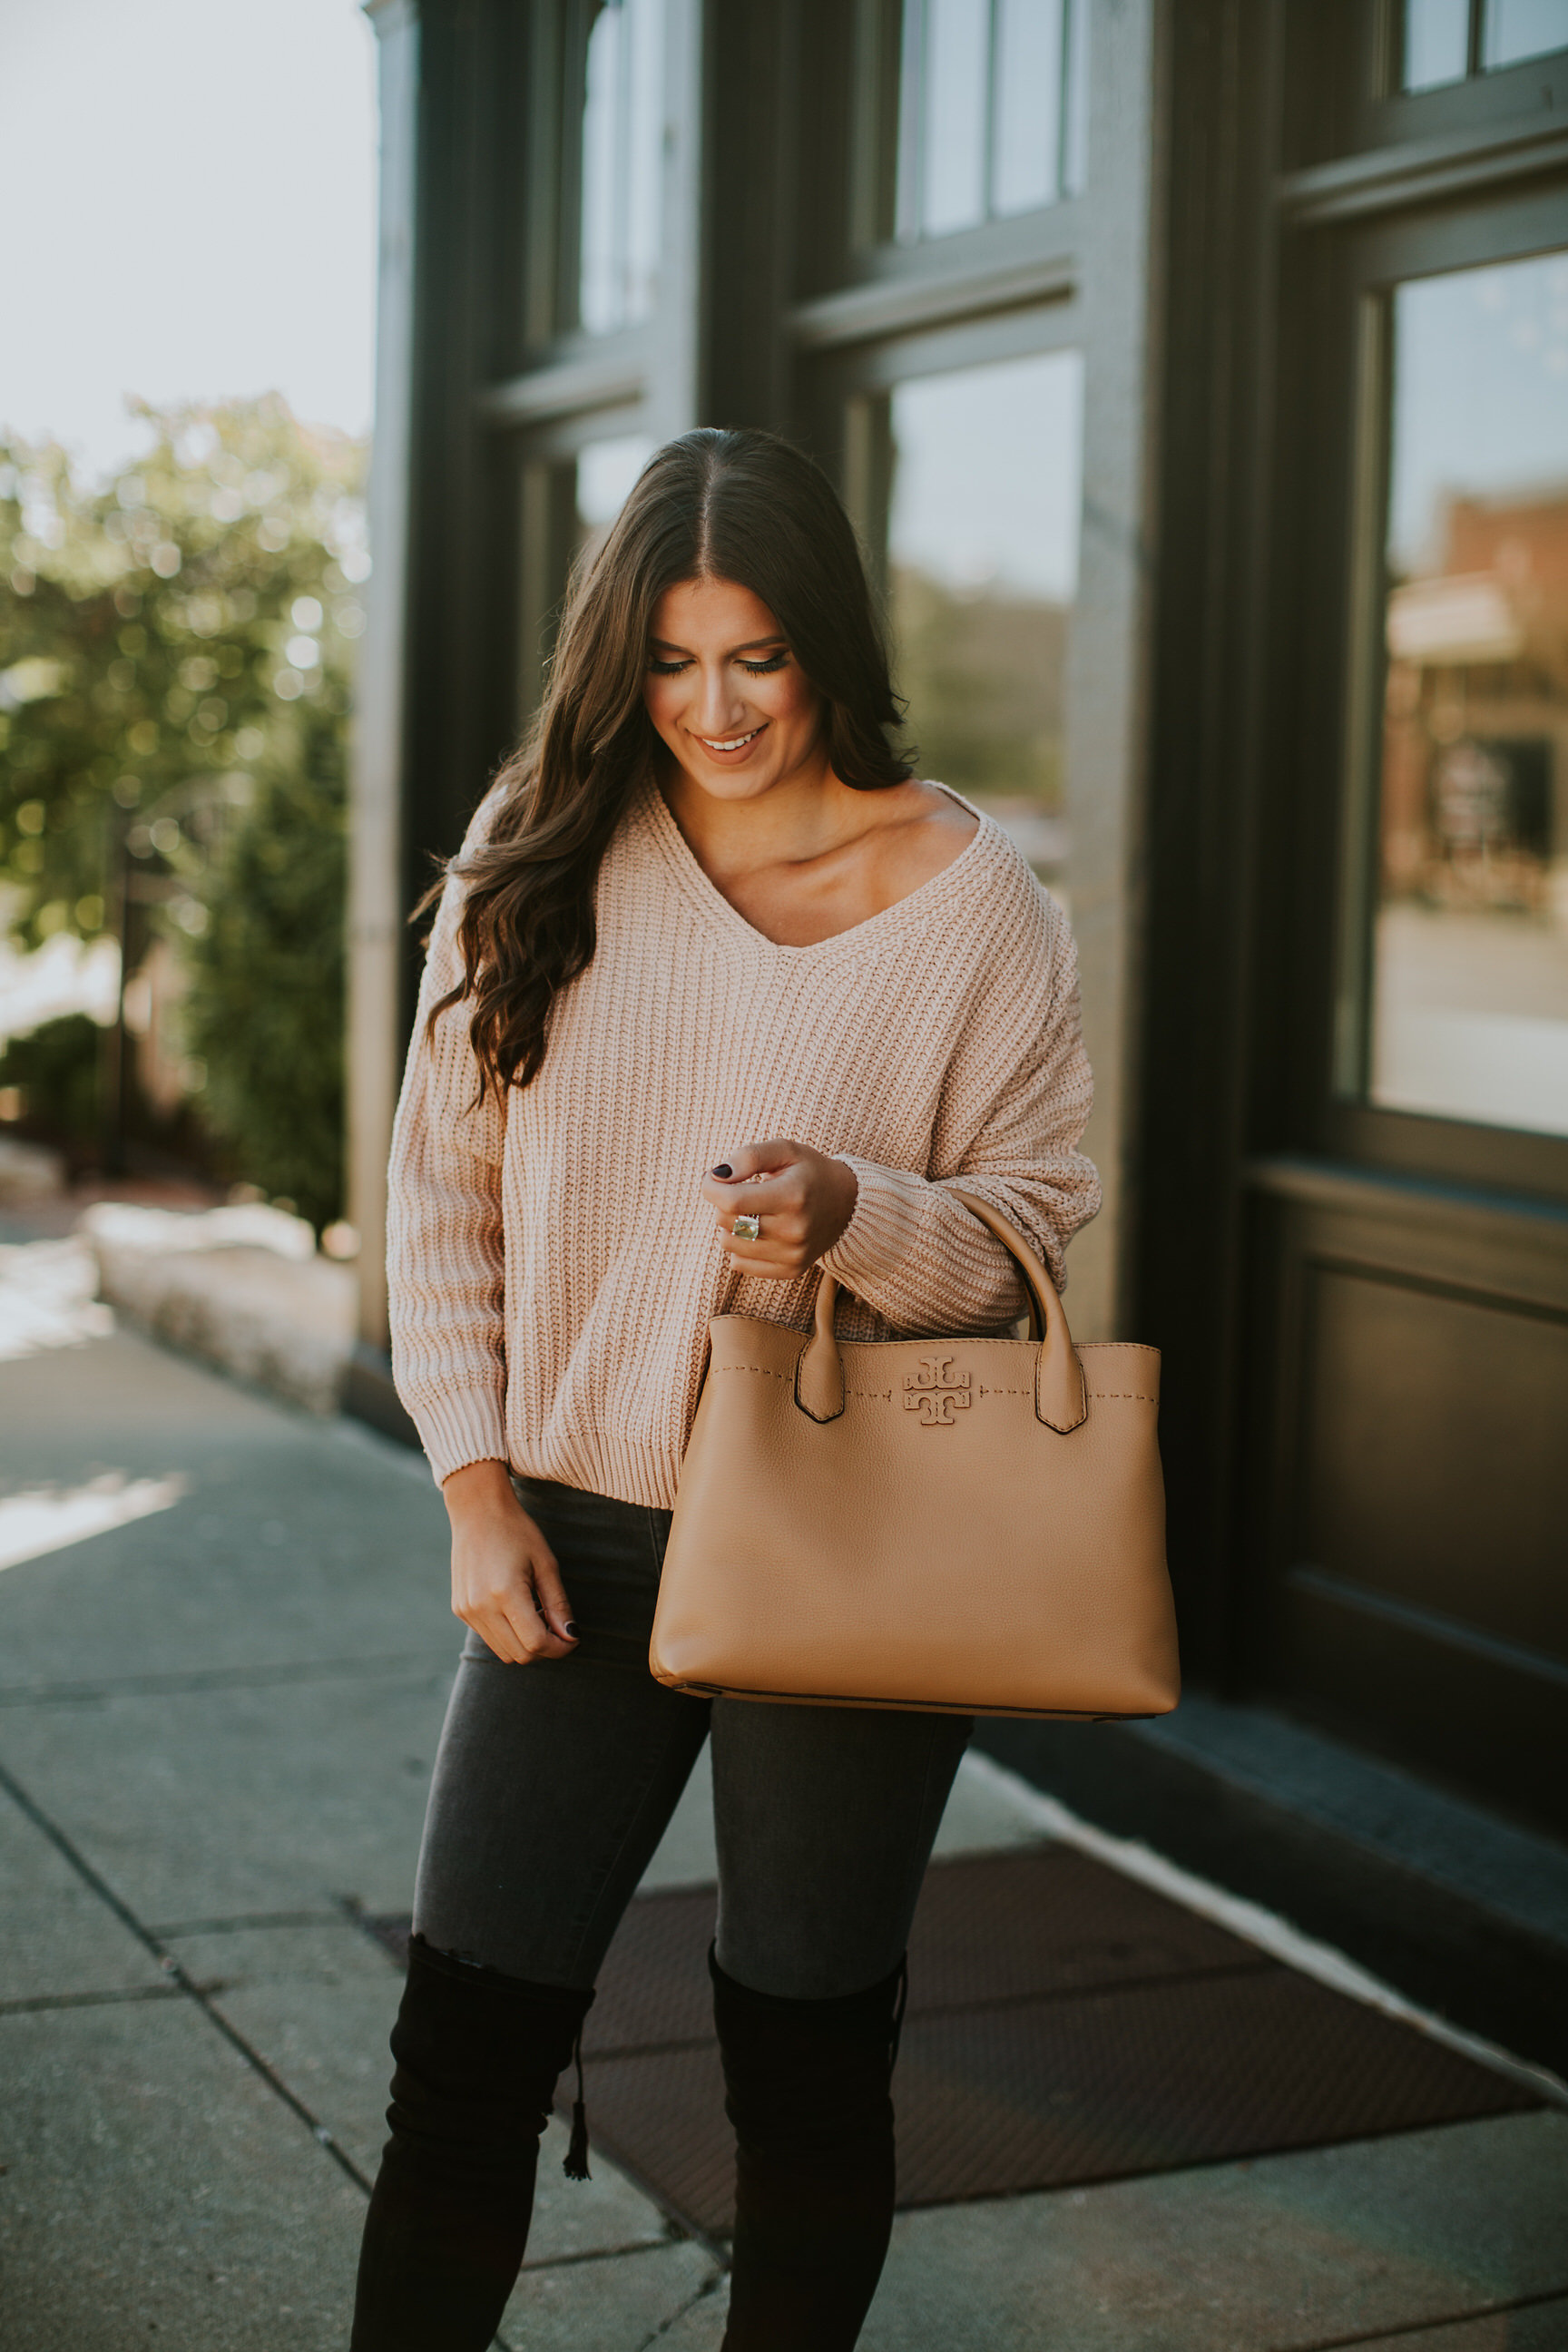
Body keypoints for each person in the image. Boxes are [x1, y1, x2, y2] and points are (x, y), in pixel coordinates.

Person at [350, 426, 1100, 2351]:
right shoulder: (545, 852)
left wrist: (855, 1214)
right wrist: (473, 1486)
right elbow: (441, 1199)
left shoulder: (972, 902)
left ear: (824, 641)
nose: (714, 707)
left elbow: (1031, 1235)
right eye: (672, 664)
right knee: (464, 2052)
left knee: (807, 2068)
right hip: (576, 1523)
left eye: (753, 658)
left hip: (853, 1542)